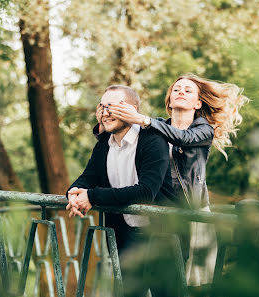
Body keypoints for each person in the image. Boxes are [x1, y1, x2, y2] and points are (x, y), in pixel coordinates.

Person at [102, 73, 249, 286]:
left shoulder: (203, 130)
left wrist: (143, 120)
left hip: (190, 211)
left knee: (187, 279)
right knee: (160, 276)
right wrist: (105, 123)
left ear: (198, 103)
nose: (181, 92)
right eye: (176, 90)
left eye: (188, 91)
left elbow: (182, 138)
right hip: (161, 213)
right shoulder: (155, 127)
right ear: (169, 101)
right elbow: (125, 138)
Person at [66, 85, 181, 296]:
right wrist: (74, 192)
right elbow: (88, 177)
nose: (105, 112)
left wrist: (92, 196)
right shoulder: (103, 145)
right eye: (102, 106)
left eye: (112, 106)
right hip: (124, 238)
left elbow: (146, 191)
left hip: (161, 238)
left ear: (132, 109)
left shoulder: (154, 140)